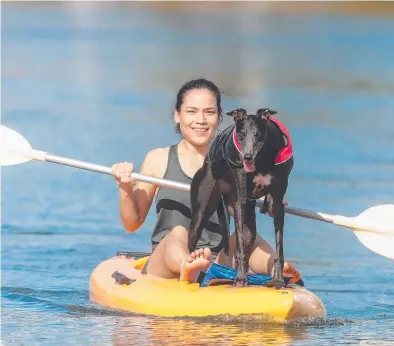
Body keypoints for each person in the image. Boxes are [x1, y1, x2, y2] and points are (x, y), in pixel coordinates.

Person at [112, 78, 302, 284]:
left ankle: (276, 267)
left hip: (216, 260)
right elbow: (132, 223)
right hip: (166, 262)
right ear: (177, 115)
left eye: (209, 112)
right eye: (191, 111)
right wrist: (125, 187)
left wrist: (274, 201)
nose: (201, 120)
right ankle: (187, 263)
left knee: (250, 238)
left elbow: (266, 198)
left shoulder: (241, 163)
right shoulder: (158, 159)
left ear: (220, 118)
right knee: (178, 233)